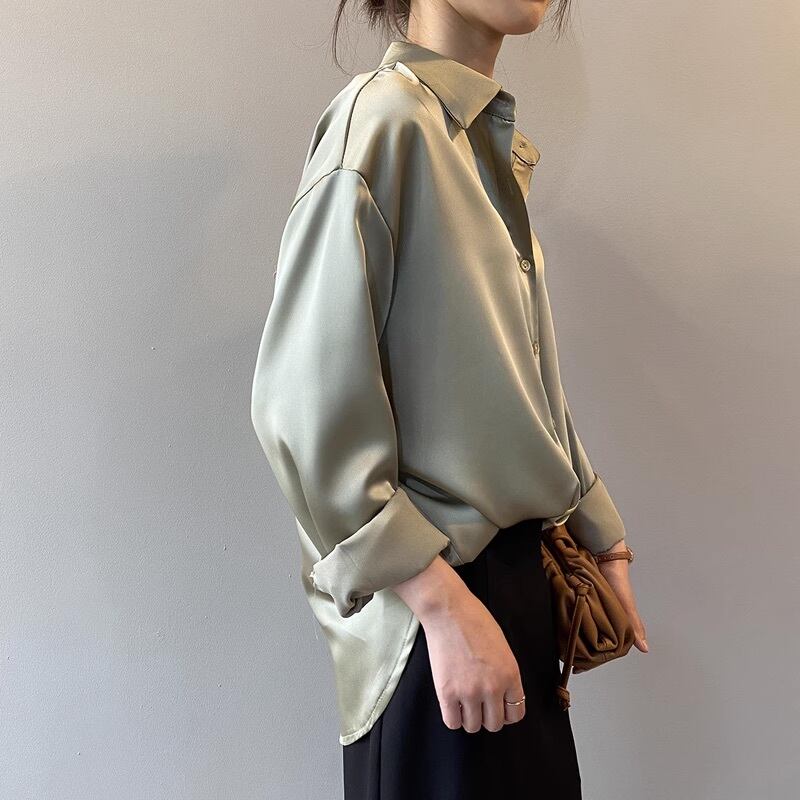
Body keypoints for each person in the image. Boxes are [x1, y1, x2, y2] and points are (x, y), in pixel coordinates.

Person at [251, 2, 648, 797]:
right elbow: (300, 403)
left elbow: (517, 380)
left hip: (514, 588)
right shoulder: (384, 122)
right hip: (435, 615)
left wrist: (599, 531)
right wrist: (439, 603)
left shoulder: (473, 141)